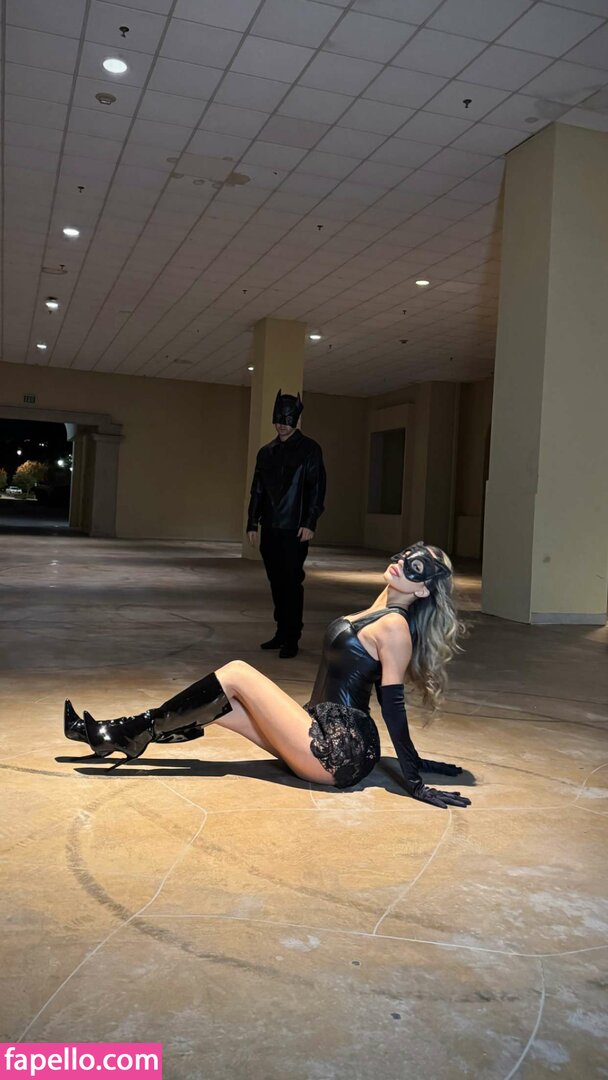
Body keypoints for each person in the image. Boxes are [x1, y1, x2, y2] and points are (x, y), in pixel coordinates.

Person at [64, 543, 470, 809]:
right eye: (405, 555)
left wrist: (414, 779)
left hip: (337, 752)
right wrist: (417, 761)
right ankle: (117, 734)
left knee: (237, 673)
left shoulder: (395, 627)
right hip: (318, 727)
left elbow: (392, 706)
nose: (402, 562)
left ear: (423, 590)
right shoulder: (376, 612)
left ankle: (122, 735)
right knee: (217, 705)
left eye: (417, 567)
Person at [246, 389, 326, 659]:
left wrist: (310, 521)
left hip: (295, 528)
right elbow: (257, 489)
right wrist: (252, 522)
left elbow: (317, 488)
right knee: (276, 582)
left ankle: (292, 636)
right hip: (270, 526)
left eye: (287, 418)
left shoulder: (310, 450)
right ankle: (281, 631)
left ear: (296, 419)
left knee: (292, 582)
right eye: (278, 418)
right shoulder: (266, 453)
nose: (282, 423)